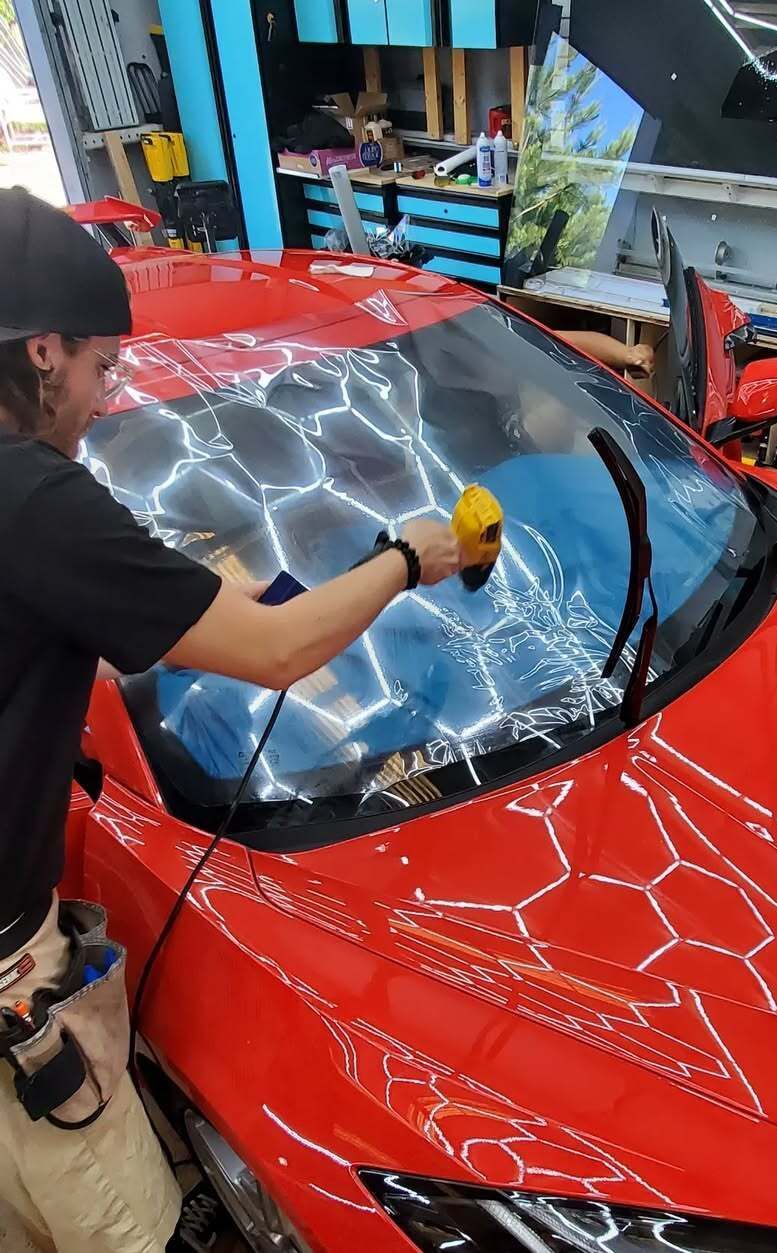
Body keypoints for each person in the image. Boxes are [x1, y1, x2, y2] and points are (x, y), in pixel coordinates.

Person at [0, 189, 462, 1252]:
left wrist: (211, 599)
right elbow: (279, 654)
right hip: (9, 971)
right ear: (40, 351)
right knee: (119, 1215)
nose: (103, 395)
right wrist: (404, 560)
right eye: (101, 368)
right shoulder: (34, 498)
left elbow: (112, 617)